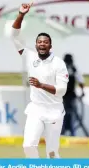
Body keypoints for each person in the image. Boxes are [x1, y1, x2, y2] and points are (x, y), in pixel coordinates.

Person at [9, 3, 69, 158]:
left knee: (52, 153)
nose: (42, 44)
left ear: (50, 46)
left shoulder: (58, 63)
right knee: (28, 146)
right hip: (36, 108)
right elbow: (14, 36)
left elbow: (62, 90)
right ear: (36, 45)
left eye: (45, 42)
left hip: (54, 110)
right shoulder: (29, 56)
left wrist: (41, 85)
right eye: (39, 42)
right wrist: (21, 14)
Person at [61, 53, 85, 136]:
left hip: (62, 96)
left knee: (62, 114)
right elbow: (81, 81)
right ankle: (71, 132)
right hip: (71, 96)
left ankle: (63, 132)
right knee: (71, 114)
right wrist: (82, 92)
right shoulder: (74, 69)